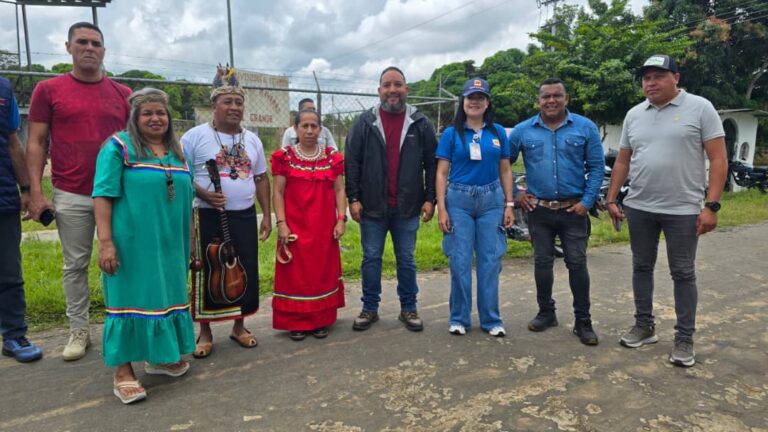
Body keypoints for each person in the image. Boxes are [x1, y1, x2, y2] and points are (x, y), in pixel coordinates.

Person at [606, 55, 727, 367]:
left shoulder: (700, 108)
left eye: (658, 76)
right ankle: (644, 326)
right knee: (641, 267)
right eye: (646, 78)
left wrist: (711, 206)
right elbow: (623, 160)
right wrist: (611, 199)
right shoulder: (634, 115)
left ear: (676, 77)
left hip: (683, 209)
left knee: (683, 272)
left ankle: (684, 338)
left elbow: (718, 158)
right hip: (639, 206)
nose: (650, 83)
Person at [25, 22, 132, 361]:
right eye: (82, 42)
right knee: (75, 265)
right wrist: (36, 192)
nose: (89, 48)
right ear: (68, 47)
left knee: (121, 260)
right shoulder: (48, 90)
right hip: (71, 191)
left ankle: (124, 323)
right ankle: (79, 330)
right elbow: (36, 141)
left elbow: (135, 144)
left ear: (104, 50)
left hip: (117, 193)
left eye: (96, 43)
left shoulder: (123, 94)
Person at [93, 88, 195, 404]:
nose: (155, 118)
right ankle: (123, 372)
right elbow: (102, 195)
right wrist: (106, 242)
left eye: (160, 113)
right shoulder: (118, 148)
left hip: (170, 244)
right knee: (128, 300)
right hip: (132, 244)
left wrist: (191, 241)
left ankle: (160, 358)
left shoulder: (178, 152)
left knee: (165, 296)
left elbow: (188, 199)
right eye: (147, 113)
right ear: (135, 117)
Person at [182, 66, 271, 358]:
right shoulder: (194, 137)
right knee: (209, 270)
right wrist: (204, 193)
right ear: (214, 105)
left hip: (244, 215)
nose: (234, 107)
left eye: (238, 102)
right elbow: (181, 175)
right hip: (207, 215)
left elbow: (261, 178)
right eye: (227, 101)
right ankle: (205, 333)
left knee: (243, 269)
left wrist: (266, 214)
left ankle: (239, 327)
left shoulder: (253, 139)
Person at [508, 78, 604, 346]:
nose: (551, 100)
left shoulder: (585, 127)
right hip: (539, 210)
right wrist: (515, 194)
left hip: (574, 210)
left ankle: (583, 321)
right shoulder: (522, 131)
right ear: (538, 101)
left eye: (557, 96)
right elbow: (502, 164)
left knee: (577, 263)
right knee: (542, 262)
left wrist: (587, 201)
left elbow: (596, 167)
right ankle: (546, 312)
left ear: (566, 98)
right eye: (546, 96)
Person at [345, 66, 437, 332]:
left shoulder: (420, 123)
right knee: (371, 258)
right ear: (379, 90)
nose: (392, 90)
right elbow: (352, 162)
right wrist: (353, 197)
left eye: (397, 84)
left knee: (406, 259)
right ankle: (369, 308)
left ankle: (408, 308)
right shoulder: (364, 123)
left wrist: (430, 198)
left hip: (407, 207)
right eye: (387, 85)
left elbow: (432, 163)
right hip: (372, 207)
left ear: (406, 89)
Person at [435, 78, 515, 337]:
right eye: (471, 97)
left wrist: (509, 204)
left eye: (480, 97)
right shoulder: (452, 133)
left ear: (487, 103)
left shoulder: (497, 132)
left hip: (491, 199)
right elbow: (441, 173)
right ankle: (459, 318)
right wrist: (442, 208)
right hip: (459, 200)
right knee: (460, 260)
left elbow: (505, 169)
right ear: (464, 101)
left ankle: (491, 319)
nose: (475, 102)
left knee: (490, 260)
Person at [271, 109, 346, 341]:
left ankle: (321, 320)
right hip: (294, 227)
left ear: (320, 129)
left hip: (324, 228)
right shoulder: (284, 157)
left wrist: (341, 219)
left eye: (314, 126)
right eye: (305, 126)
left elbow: (339, 189)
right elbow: (278, 192)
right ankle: (296, 322)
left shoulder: (332, 158)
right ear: (295, 128)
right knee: (296, 276)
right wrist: (281, 223)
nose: (310, 131)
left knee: (321, 274)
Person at [0, 77, 43, 363]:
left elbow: (13, 142)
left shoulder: (3, 89)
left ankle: (14, 335)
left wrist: (26, 188)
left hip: (2, 195)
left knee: (9, 273)